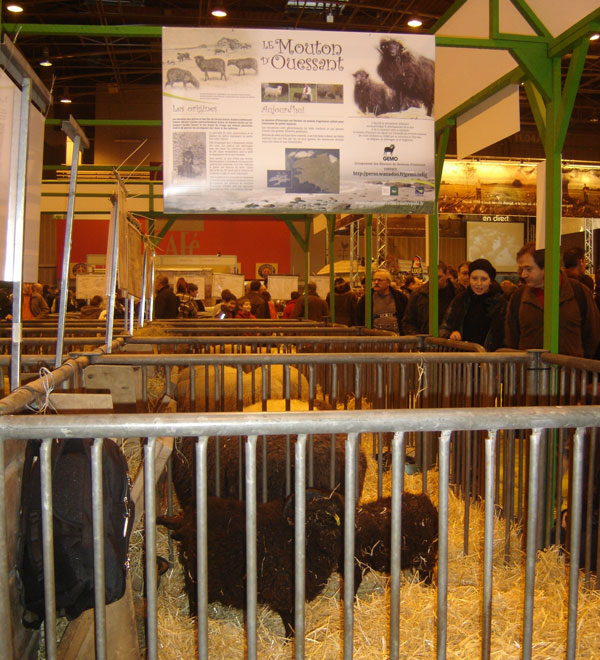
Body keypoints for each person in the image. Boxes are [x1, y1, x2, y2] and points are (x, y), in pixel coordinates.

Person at [505, 242, 600, 358]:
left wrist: (578, 366)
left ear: (546, 267)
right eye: (522, 269)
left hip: (570, 373)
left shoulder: (579, 292)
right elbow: (512, 337)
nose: (523, 275)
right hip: (530, 373)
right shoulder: (518, 297)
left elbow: (592, 334)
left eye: (528, 269)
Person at [439, 258, 506, 351]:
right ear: (469, 279)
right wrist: (451, 334)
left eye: (484, 279)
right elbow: (445, 327)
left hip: (490, 360)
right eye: (474, 278)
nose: (479, 283)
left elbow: (506, 336)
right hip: (462, 359)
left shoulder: (500, 304)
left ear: (490, 281)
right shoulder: (460, 300)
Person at [402, 262, 457, 335]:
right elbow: (408, 322)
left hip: (450, 342)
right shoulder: (418, 294)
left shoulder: (456, 292)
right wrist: (419, 338)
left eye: (439, 277)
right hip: (425, 341)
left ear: (446, 275)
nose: (435, 281)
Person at [356, 268, 407, 333]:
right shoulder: (366, 298)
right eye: (374, 280)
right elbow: (359, 318)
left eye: (380, 280)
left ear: (388, 282)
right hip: (374, 338)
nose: (376, 282)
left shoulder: (400, 297)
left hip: (397, 338)